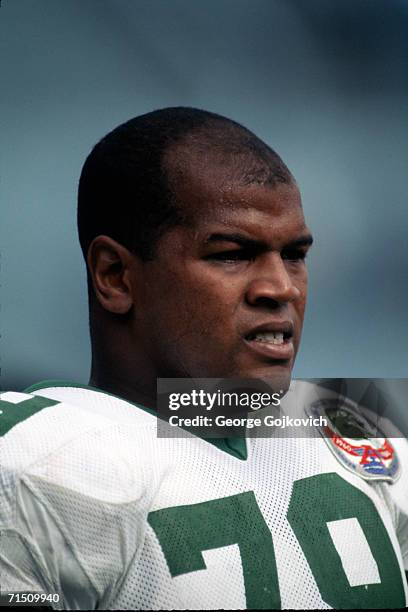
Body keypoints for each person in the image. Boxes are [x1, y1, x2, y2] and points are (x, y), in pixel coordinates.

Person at [0, 107, 407, 610]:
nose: (280, 288)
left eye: (295, 255)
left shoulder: (368, 423)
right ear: (115, 276)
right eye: (231, 254)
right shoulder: (35, 461)